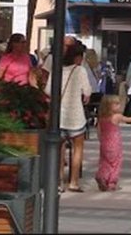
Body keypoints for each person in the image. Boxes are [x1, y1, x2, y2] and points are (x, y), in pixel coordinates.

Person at [53, 42, 91, 193]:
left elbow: (49, 90)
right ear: (78, 57)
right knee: (77, 149)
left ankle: (58, 181)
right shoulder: (80, 71)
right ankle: (74, 181)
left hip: (59, 116)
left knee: (59, 149)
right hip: (76, 116)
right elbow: (87, 91)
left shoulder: (58, 69)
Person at [94, 94, 131, 191]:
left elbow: (98, 131)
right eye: (117, 104)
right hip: (115, 144)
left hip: (104, 144)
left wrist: (101, 140)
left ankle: (101, 175)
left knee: (104, 161)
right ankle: (112, 182)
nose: (119, 106)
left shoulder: (101, 118)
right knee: (115, 162)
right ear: (109, 106)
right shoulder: (117, 117)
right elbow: (129, 120)